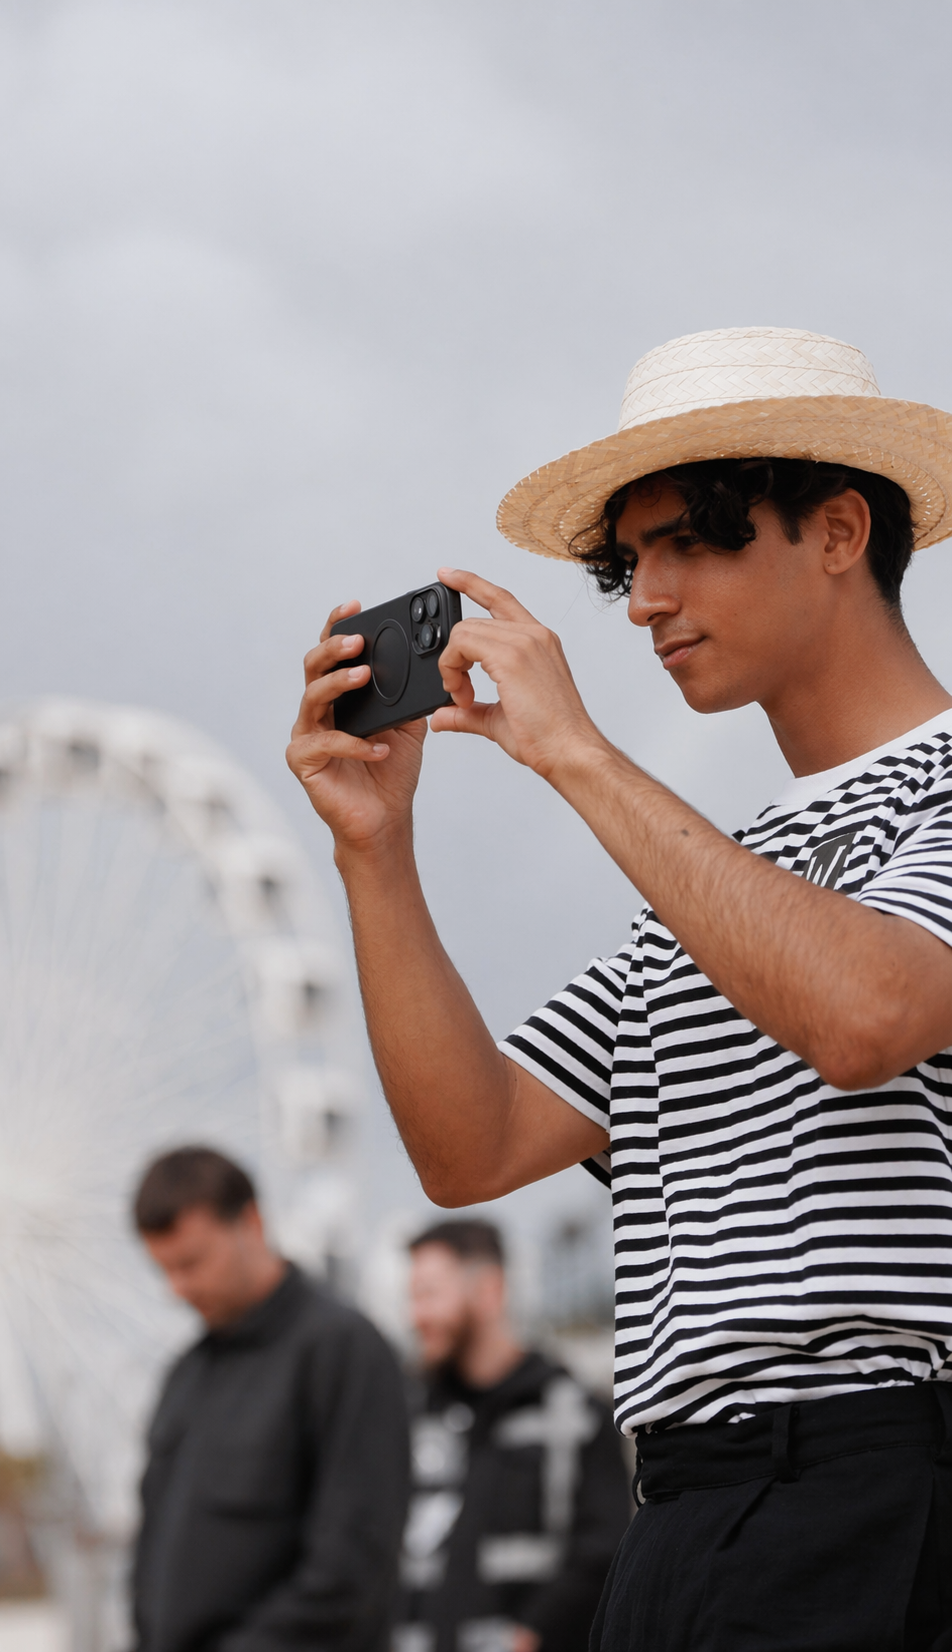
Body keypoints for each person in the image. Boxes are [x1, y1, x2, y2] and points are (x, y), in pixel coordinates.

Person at [287, 325, 952, 1649]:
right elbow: (470, 1146)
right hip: (680, 1512)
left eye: (691, 542)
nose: (645, 600)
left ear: (834, 531)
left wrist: (578, 756)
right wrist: (377, 854)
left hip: (885, 1484)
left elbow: (869, 1017)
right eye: (631, 561)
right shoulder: (712, 881)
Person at [131, 1145, 409, 1652]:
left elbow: (352, 1569)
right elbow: (151, 1558)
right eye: (164, 1270)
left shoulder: (343, 1351)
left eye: (191, 1263)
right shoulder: (185, 1374)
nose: (178, 1289)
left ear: (251, 1222)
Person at [394, 1219, 629, 1652]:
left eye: (428, 1294)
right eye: (412, 1298)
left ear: (488, 1291)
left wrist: (531, 1634)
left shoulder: (575, 1414)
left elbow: (603, 1551)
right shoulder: (407, 1415)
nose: (416, 1316)